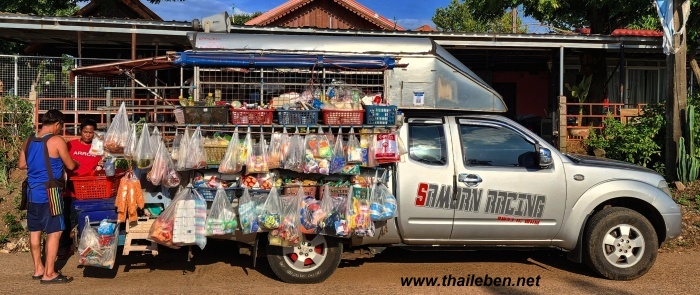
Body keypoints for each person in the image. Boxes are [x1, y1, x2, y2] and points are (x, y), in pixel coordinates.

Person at [18, 110, 79, 284]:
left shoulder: (29, 140)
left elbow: (21, 165)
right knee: (55, 231)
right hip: (50, 192)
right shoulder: (56, 140)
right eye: (61, 127)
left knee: (35, 231)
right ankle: (49, 273)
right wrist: (76, 163)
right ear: (58, 124)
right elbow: (70, 164)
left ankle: (38, 269)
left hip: (31, 193)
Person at [58, 119, 103, 260]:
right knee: (66, 218)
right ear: (80, 131)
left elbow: (101, 165)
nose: (88, 135)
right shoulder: (71, 145)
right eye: (85, 132)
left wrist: (102, 163)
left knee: (85, 218)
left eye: (91, 132)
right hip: (70, 187)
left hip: (89, 189)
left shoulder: (98, 147)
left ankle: (86, 246)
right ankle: (65, 246)